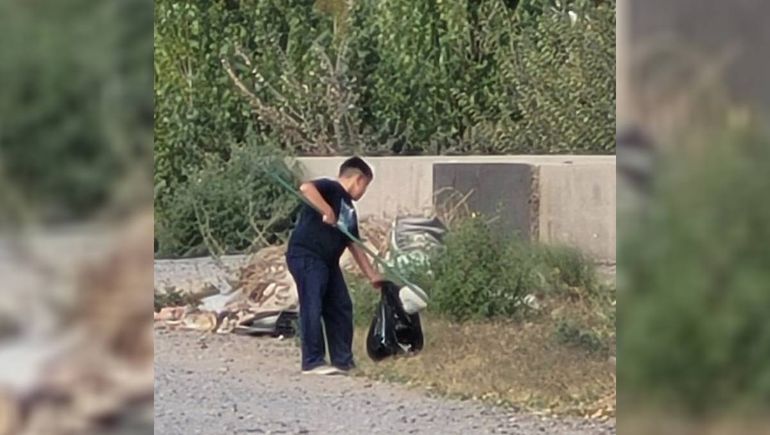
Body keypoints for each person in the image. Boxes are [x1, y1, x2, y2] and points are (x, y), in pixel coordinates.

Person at [285, 156, 382, 375]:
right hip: (307, 256)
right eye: (366, 186)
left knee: (341, 306)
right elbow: (306, 188)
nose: (364, 192)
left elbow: (353, 243)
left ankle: (343, 360)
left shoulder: (349, 210)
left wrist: (372, 275)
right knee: (313, 304)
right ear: (358, 180)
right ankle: (312, 361)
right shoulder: (331, 188)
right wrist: (326, 210)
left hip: (328, 261)